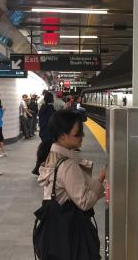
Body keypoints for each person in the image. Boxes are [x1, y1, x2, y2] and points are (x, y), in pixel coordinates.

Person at [34, 110, 105, 258]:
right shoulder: (67, 165)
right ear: (63, 135)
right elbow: (84, 202)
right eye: (77, 133)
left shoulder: (51, 155)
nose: (82, 136)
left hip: (55, 230)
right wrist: (100, 180)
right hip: (71, 233)